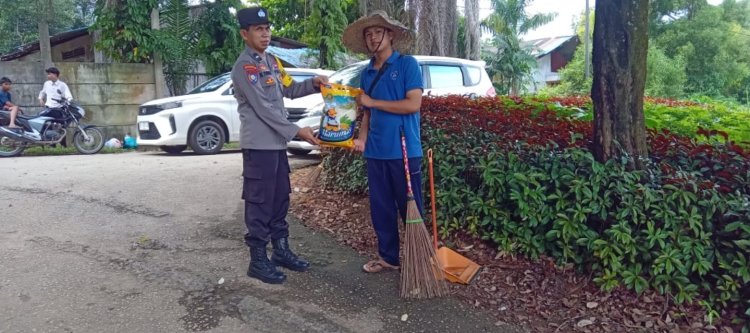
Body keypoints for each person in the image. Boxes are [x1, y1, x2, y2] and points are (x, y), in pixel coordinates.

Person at [232, 6, 327, 284]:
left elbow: (289, 88)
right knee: (260, 202)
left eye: (267, 29)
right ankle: (258, 260)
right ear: (244, 34)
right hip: (259, 146)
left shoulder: (272, 62)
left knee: (280, 197)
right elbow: (263, 108)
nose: (265, 34)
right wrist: (298, 131)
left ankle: (281, 251)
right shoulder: (245, 68)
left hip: (275, 146)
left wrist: (314, 83)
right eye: (259, 29)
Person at [342, 11, 424, 273]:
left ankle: (417, 259)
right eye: (368, 34)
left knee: (411, 209)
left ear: (390, 35)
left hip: (404, 150)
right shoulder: (367, 73)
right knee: (381, 209)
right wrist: (362, 138)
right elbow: (367, 112)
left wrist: (372, 102)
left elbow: (413, 104)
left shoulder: (407, 65)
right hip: (376, 152)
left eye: (378, 32)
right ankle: (388, 258)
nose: (373, 37)